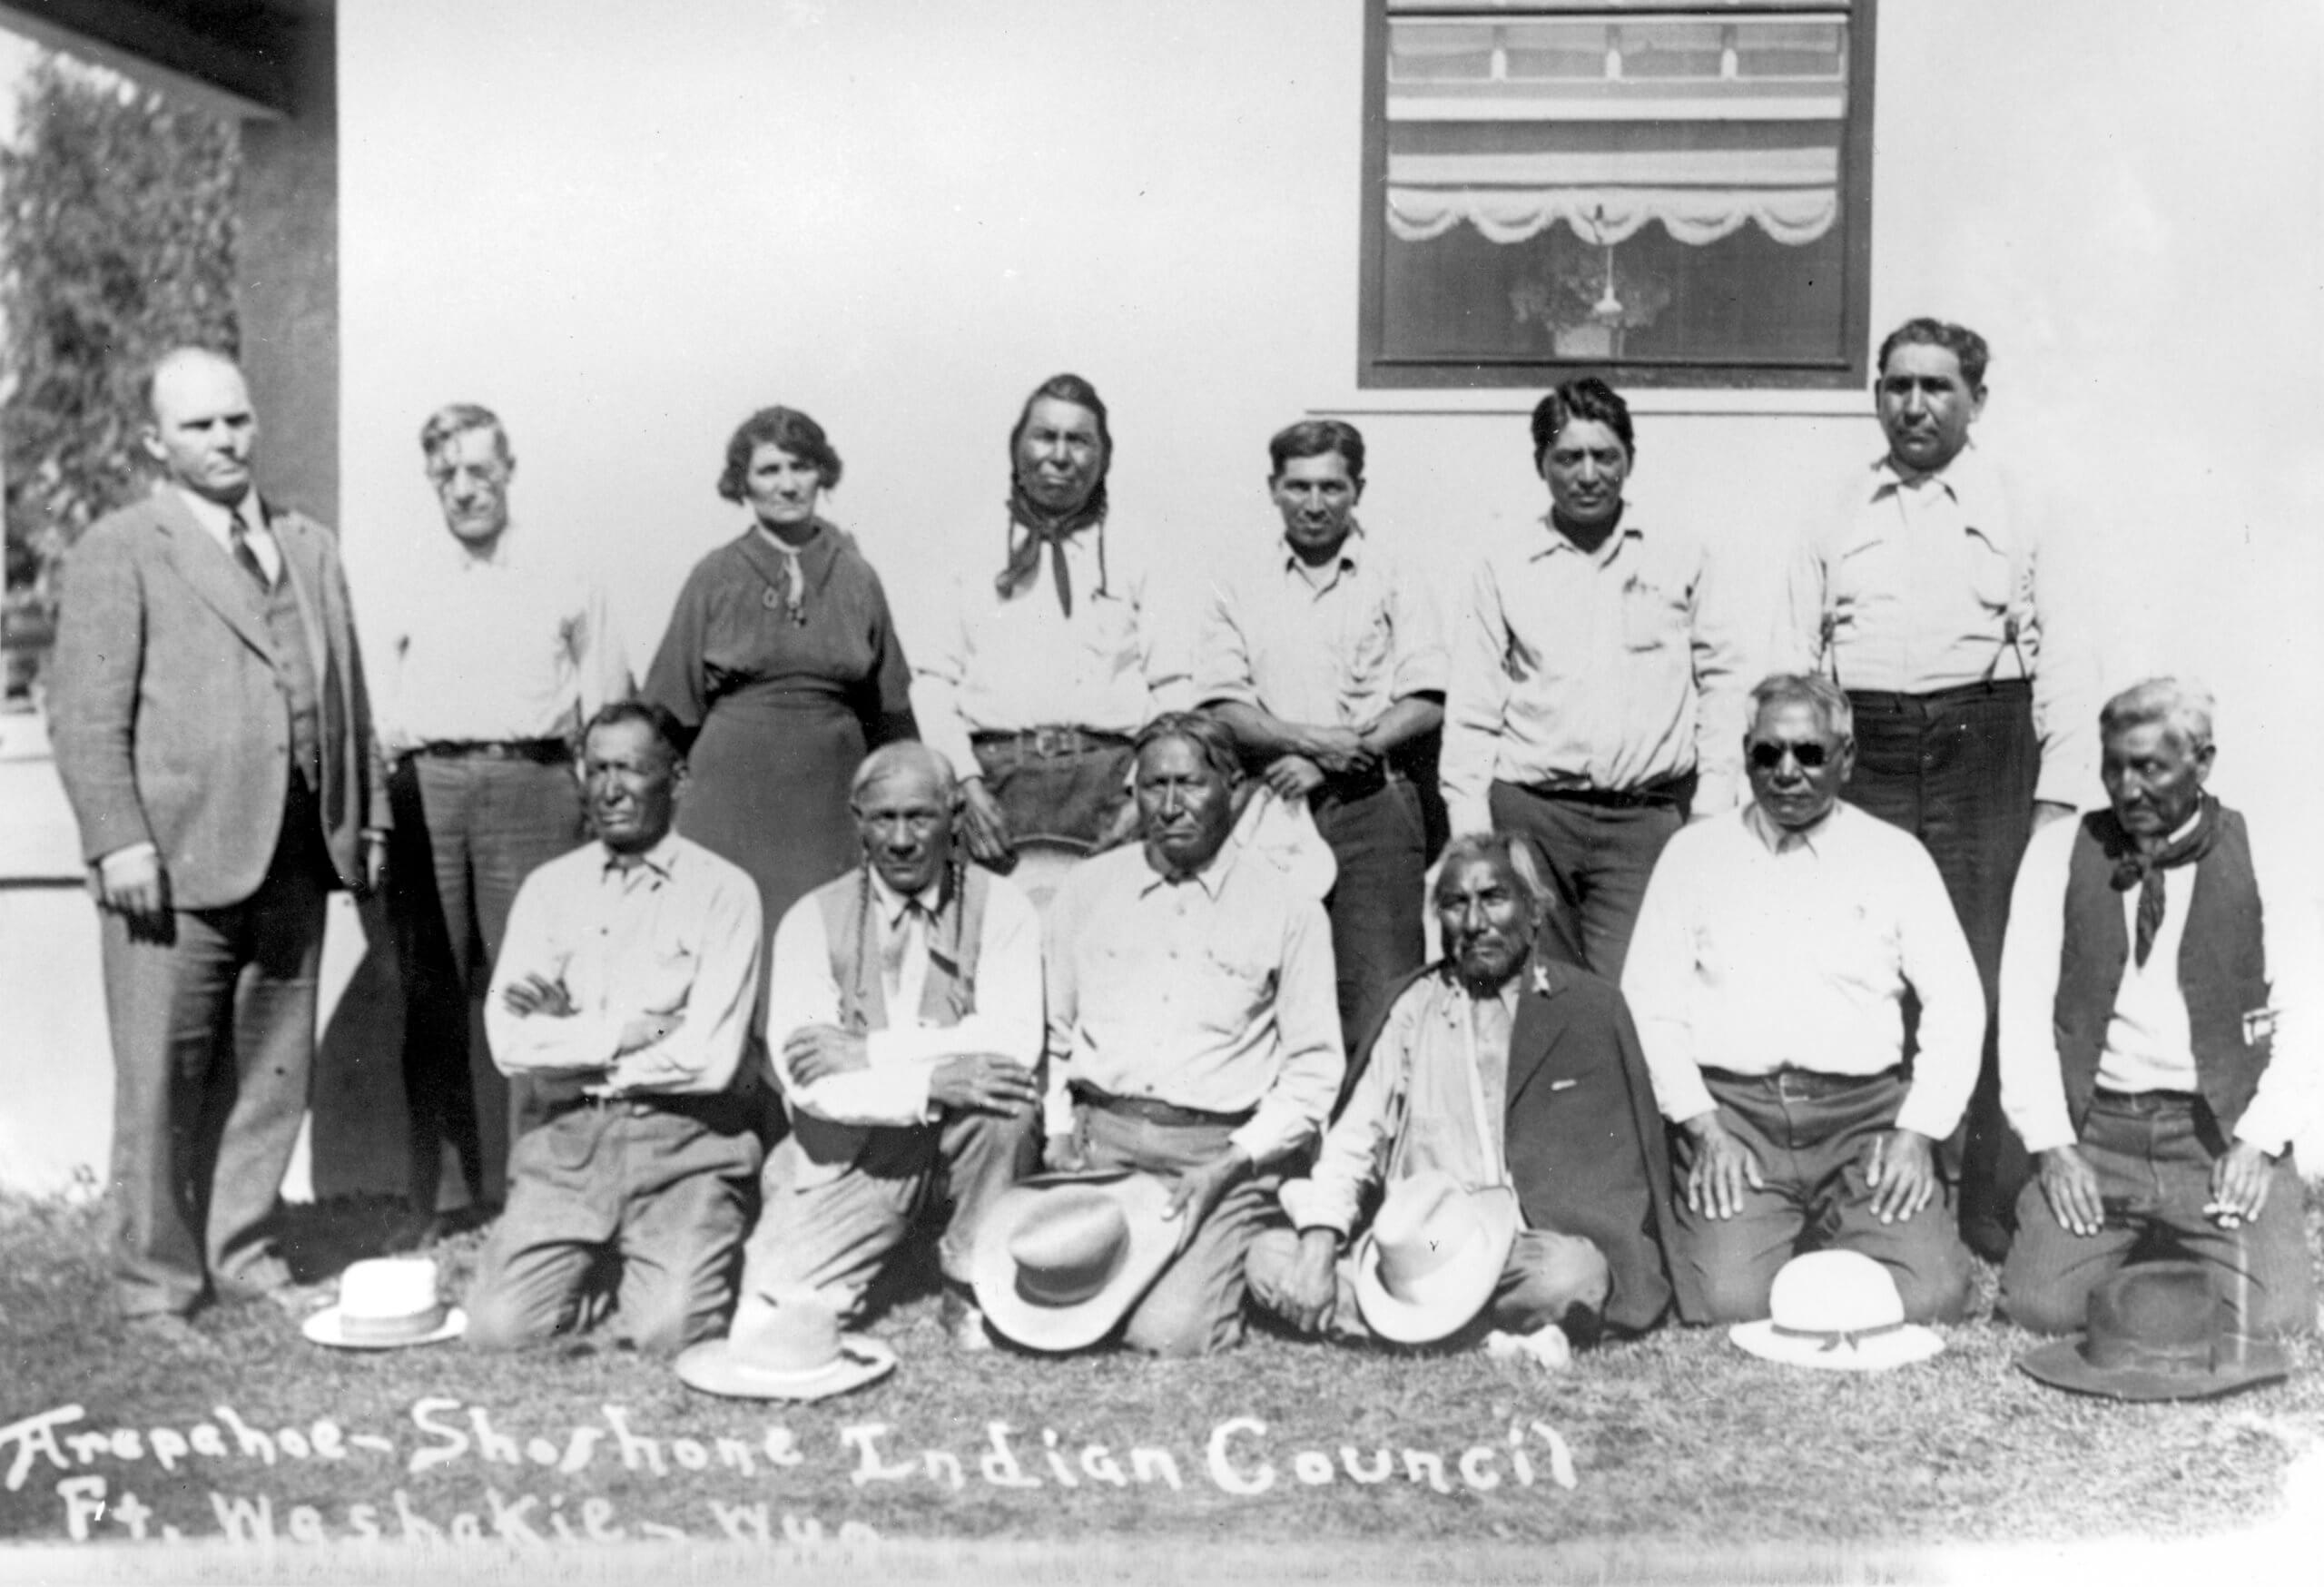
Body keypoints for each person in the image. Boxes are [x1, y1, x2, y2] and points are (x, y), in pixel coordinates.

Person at [49, 347, 388, 1349]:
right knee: (161, 1075)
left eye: (236, 419)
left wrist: (361, 826)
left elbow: (349, 700)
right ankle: (154, 1283)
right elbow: (85, 715)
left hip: (295, 852)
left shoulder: (308, 545)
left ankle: (242, 1250)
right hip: (174, 860)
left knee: (268, 1070)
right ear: (157, 441)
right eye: (199, 426)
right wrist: (117, 838)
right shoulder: (124, 547)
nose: (226, 439)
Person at [1771, 317, 2097, 1261]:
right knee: (1868, 964)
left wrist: (2053, 802)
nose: (1914, 404)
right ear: (1876, 393)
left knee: (1990, 967)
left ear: (1975, 401)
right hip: (1863, 748)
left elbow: (2066, 662)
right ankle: (1876, 1188)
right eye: (1897, 385)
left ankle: (1984, 1199)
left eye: (1937, 387)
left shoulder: (2020, 505)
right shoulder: (1833, 509)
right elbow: (1795, 654)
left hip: (1982, 741)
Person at [1622, 674, 1980, 1324]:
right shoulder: (1693, 854)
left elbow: (1958, 1004)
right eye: (1768, 753)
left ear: (1846, 757)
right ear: (1746, 753)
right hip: (1739, 1121)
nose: (1787, 772)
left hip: (1863, 1121)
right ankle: (1778, 1233)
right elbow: (1649, 1005)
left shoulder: (1895, 856)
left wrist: (1917, 1133)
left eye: (1809, 754)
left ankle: (1845, 1226)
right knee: (1726, 1301)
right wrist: (1703, 1129)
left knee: (1932, 1296)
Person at [1247, 833, 1681, 1360]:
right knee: (1268, 1258)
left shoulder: (1587, 1005)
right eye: (1456, 904)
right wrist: (1319, 1240)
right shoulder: (1415, 1006)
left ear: (1535, 911)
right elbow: (1356, 1135)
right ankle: (1490, 1339)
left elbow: (1619, 1170)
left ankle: (1420, 1327)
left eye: (1494, 898)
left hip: (1525, 1249)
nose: (1475, 923)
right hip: (1431, 1248)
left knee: (1571, 1274)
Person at [373, 403, 631, 1229]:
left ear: (509, 471)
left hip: (535, 787)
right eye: (446, 475)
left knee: (544, 990)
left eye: (480, 470)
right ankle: (445, 1199)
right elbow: (378, 706)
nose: (465, 489)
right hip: (430, 790)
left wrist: (601, 803)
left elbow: (607, 699)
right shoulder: (407, 573)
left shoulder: (564, 570)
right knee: (432, 994)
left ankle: (546, 1191)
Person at [1998, 678, 2318, 1338]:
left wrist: (2258, 1143)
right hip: (2099, 1132)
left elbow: (2309, 1015)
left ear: (2202, 763)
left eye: (2151, 767)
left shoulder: (2266, 855)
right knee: (2042, 1308)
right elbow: (2023, 1013)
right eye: (2113, 765)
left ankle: (2177, 1235)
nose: (2127, 787)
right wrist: (2054, 1147)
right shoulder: (2058, 852)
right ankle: (2146, 1239)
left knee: (2276, 1316)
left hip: (2212, 1133)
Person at [464, 703, 763, 1353]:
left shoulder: (724, 892)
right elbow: (509, 1042)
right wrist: (631, 1032)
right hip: (568, 1143)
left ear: (677, 780)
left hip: (684, 1142)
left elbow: (709, 1059)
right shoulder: (549, 890)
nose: (609, 789)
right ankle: (597, 1256)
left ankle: (650, 1252)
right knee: (497, 1332)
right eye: (596, 769)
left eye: (630, 769)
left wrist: (567, 1038)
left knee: (669, 1331)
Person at [1041, 713, 1342, 1355]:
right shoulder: (1089, 889)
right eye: (1155, 786)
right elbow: (1054, 1034)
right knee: (1056, 1301)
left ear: (1231, 789)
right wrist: (1058, 1133)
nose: (1172, 806)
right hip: (1105, 1148)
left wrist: (1233, 1162)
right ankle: (1228, 1259)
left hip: (1217, 1158)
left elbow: (1315, 1068)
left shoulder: (1290, 906)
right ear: (1135, 791)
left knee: (1167, 1334)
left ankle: (1245, 1243)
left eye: (1191, 784)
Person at [1441, 378, 1748, 981]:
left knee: (1637, 993)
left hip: (1645, 819)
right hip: (1532, 818)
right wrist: (1472, 834)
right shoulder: (1503, 565)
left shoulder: (1680, 555)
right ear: (1541, 465)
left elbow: (1724, 683)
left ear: (1629, 459)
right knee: (1539, 990)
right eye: (1567, 457)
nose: (1587, 474)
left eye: (1604, 456)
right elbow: (1474, 706)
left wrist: (1712, 806)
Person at [743, 743, 1044, 1349]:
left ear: (955, 817)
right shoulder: (812, 917)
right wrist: (931, 1080)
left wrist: (870, 1052)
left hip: (961, 1133)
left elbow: (1013, 1041)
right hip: (858, 1149)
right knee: (772, 1307)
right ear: (858, 821)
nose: (903, 840)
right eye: (885, 818)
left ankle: (969, 1277)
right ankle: (888, 1246)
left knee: (1006, 1105)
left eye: (921, 817)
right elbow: (809, 1077)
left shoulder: (1002, 906)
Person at [1198, 419, 1443, 1071]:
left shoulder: (1397, 574)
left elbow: (1424, 701)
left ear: (1357, 489)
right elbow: (1224, 706)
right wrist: (1309, 746)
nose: (1314, 503)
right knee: (1261, 987)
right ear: (1273, 489)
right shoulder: (1237, 580)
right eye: (1298, 487)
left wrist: (1334, 759)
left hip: (1374, 807)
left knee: (1379, 996)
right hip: (1267, 809)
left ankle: (1368, 1166)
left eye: (1332, 487)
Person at [643, 406, 917, 931]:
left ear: (823, 473)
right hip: (731, 799)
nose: (788, 485)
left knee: (829, 936)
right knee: (733, 936)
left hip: (831, 802)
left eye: (801, 466)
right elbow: (668, 713)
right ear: (742, 484)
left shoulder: (858, 577)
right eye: (769, 470)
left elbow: (891, 717)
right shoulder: (714, 575)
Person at [913, 374, 1189, 871]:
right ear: (1016, 447)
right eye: (1045, 436)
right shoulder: (965, 545)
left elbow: (1174, 686)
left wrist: (1139, 797)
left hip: (1110, 781)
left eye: (1079, 441)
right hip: (994, 786)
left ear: (1104, 456)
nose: (1060, 456)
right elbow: (933, 682)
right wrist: (966, 786)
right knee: (994, 940)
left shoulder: (1142, 548)